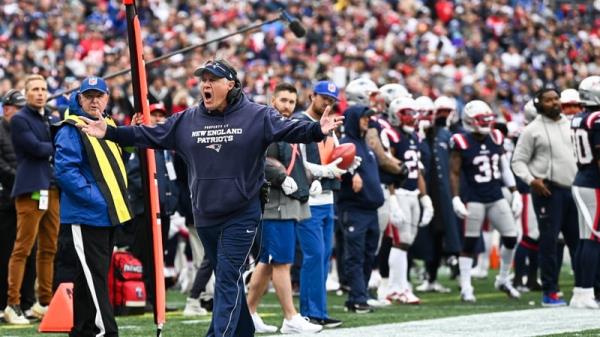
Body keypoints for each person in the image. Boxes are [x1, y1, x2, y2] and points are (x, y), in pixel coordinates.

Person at [79, 59, 343, 337]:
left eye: (213, 79)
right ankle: (242, 332)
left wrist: (316, 130)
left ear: (230, 84)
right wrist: (110, 132)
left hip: (242, 213)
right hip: (205, 215)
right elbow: (150, 133)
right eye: (203, 79)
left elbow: (290, 130)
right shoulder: (187, 119)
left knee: (227, 278)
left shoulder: (257, 115)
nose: (205, 84)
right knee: (227, 279)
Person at [54, 77, 134, 337]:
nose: (94, 100)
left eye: (99, 95)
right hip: (88, 215)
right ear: (79, 98)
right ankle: (106, 332)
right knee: (95, 277)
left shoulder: (108, 124)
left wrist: (130, 136)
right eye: (88, 96)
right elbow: (65, 172)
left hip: (105, 214)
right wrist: (98, 199)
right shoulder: (71, 128)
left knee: (88, 276)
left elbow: (116, 163)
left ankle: (83, 330)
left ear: (108, 98)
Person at [246, 82, 323, 334]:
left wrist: (308, 181)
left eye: (291, 101)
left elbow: (293, 161)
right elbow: (261, 160)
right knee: (282, 262)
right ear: (272, 100)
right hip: (276, 202)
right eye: (283, 101)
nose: (288, 106)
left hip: (287, 201)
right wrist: (281, 179)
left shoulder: (285, 127)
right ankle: (290, 317)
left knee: (268, 262)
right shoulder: (268, 125)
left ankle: (248, 312)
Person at [511, 88, 579, 307]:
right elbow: (518, 161)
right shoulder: (532, 130)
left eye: (556, 98)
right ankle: (550, 291)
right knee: (549, 242)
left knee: (579, 242)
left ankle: (585, 289)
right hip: (548, 190)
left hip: (574, 189)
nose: (554, 103)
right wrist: (531, 180)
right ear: (538, 103)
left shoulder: (570, 125)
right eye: (548, 100)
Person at [450, 100, 522, 302]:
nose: (486, 122)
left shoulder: (496, 136)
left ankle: (503, 278)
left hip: (495, 194)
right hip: (473, 197)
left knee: (510, 237)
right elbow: (454, 173)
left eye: (488, 118)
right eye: (481, 119)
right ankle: (466, 286)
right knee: (470, 243)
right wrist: (455, 198)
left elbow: (504, 166)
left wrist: (514, 191)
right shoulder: (460, 141)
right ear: (470, 121)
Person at [5, 74, 60, 324]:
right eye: (35, 89)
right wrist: (57, 143)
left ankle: (44, 302)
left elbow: (47, 145)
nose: (40, 93)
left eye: (43, 89)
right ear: (26, 93)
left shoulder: (49, 117)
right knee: (23, 248)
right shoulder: (19, 119)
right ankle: (12, 304)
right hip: (31, 189)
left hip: (51, 187)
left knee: (49, 247)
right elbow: (36, 148)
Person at [295, 80, 347, 328]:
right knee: (314, 255)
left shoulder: (331, 127)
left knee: (324, 256)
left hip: (328, 197)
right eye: (323, 97)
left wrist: (348, 164)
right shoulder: (300, 123)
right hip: (310, 198)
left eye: (331, 100)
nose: (327, 103)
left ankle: (320, 311)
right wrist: (326, 171)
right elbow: (298, 163)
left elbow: (337, 156)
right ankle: (310, 312)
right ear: (311, 95)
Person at [379, 96, 434, 304]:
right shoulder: (391, 135)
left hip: (412, 193)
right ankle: (396, 287)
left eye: (413, 113)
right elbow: (390, 168)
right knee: (400, 241)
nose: (412, 118)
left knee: (407, 241)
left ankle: (399, 286)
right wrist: (392, 199)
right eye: (407, 113)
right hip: (400, 193)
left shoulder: (415, 138)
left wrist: (425, 197)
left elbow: (418, 171)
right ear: (396, 114)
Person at [338, 104, 384, 312]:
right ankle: (357, 297)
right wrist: (350, 174)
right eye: (363, 118)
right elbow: (337, 165)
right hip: (355, 209)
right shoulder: (346, 144)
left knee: (368, 255)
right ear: (354, 119)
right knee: (355, 255)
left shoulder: (364, 144)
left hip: (371, 209)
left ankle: (359, 295)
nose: (367, 121)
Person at [0, 89, 37, 320]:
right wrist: (23, 178)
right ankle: (5, 304)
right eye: (18, 108)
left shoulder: (24, 129)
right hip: (5, 200)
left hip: (26, 197)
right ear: (7, 109)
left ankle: (25, 303)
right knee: (6, 253)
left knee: (29, 251)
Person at [568, 76, 600, 309]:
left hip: (582, 179)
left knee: (584, 238)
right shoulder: (596, 118)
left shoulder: (579, 118)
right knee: (593, 238)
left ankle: (580, 290)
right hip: (593, 181)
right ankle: (587, 292)